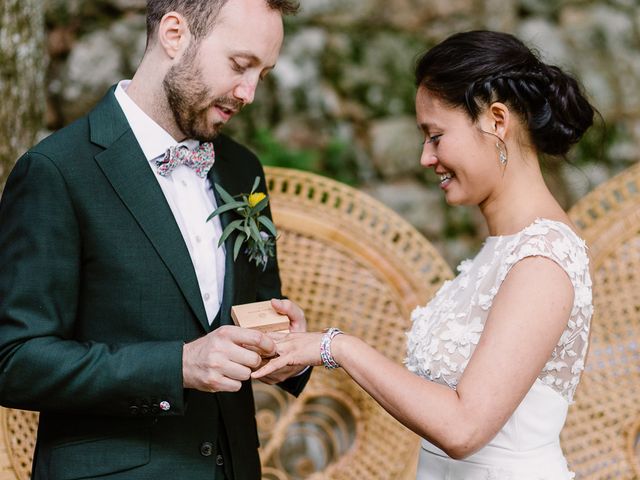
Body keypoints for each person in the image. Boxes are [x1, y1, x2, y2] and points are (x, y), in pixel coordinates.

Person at [253, 30, 595, 479]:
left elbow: (463, 427)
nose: (425, 158)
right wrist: (308, 343)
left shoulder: (543, 261)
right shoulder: (504, 251)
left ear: (496, 120)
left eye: (435, 136)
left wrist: (336, 346)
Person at [0, 1, 310, 479]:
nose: (249, 92)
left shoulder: (241, 169)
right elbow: (15, 360)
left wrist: (283, 349)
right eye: (239, 65)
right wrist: (178, 366)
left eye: (262, 74)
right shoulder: (57, 171)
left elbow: (255, 305)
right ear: (173, 34)